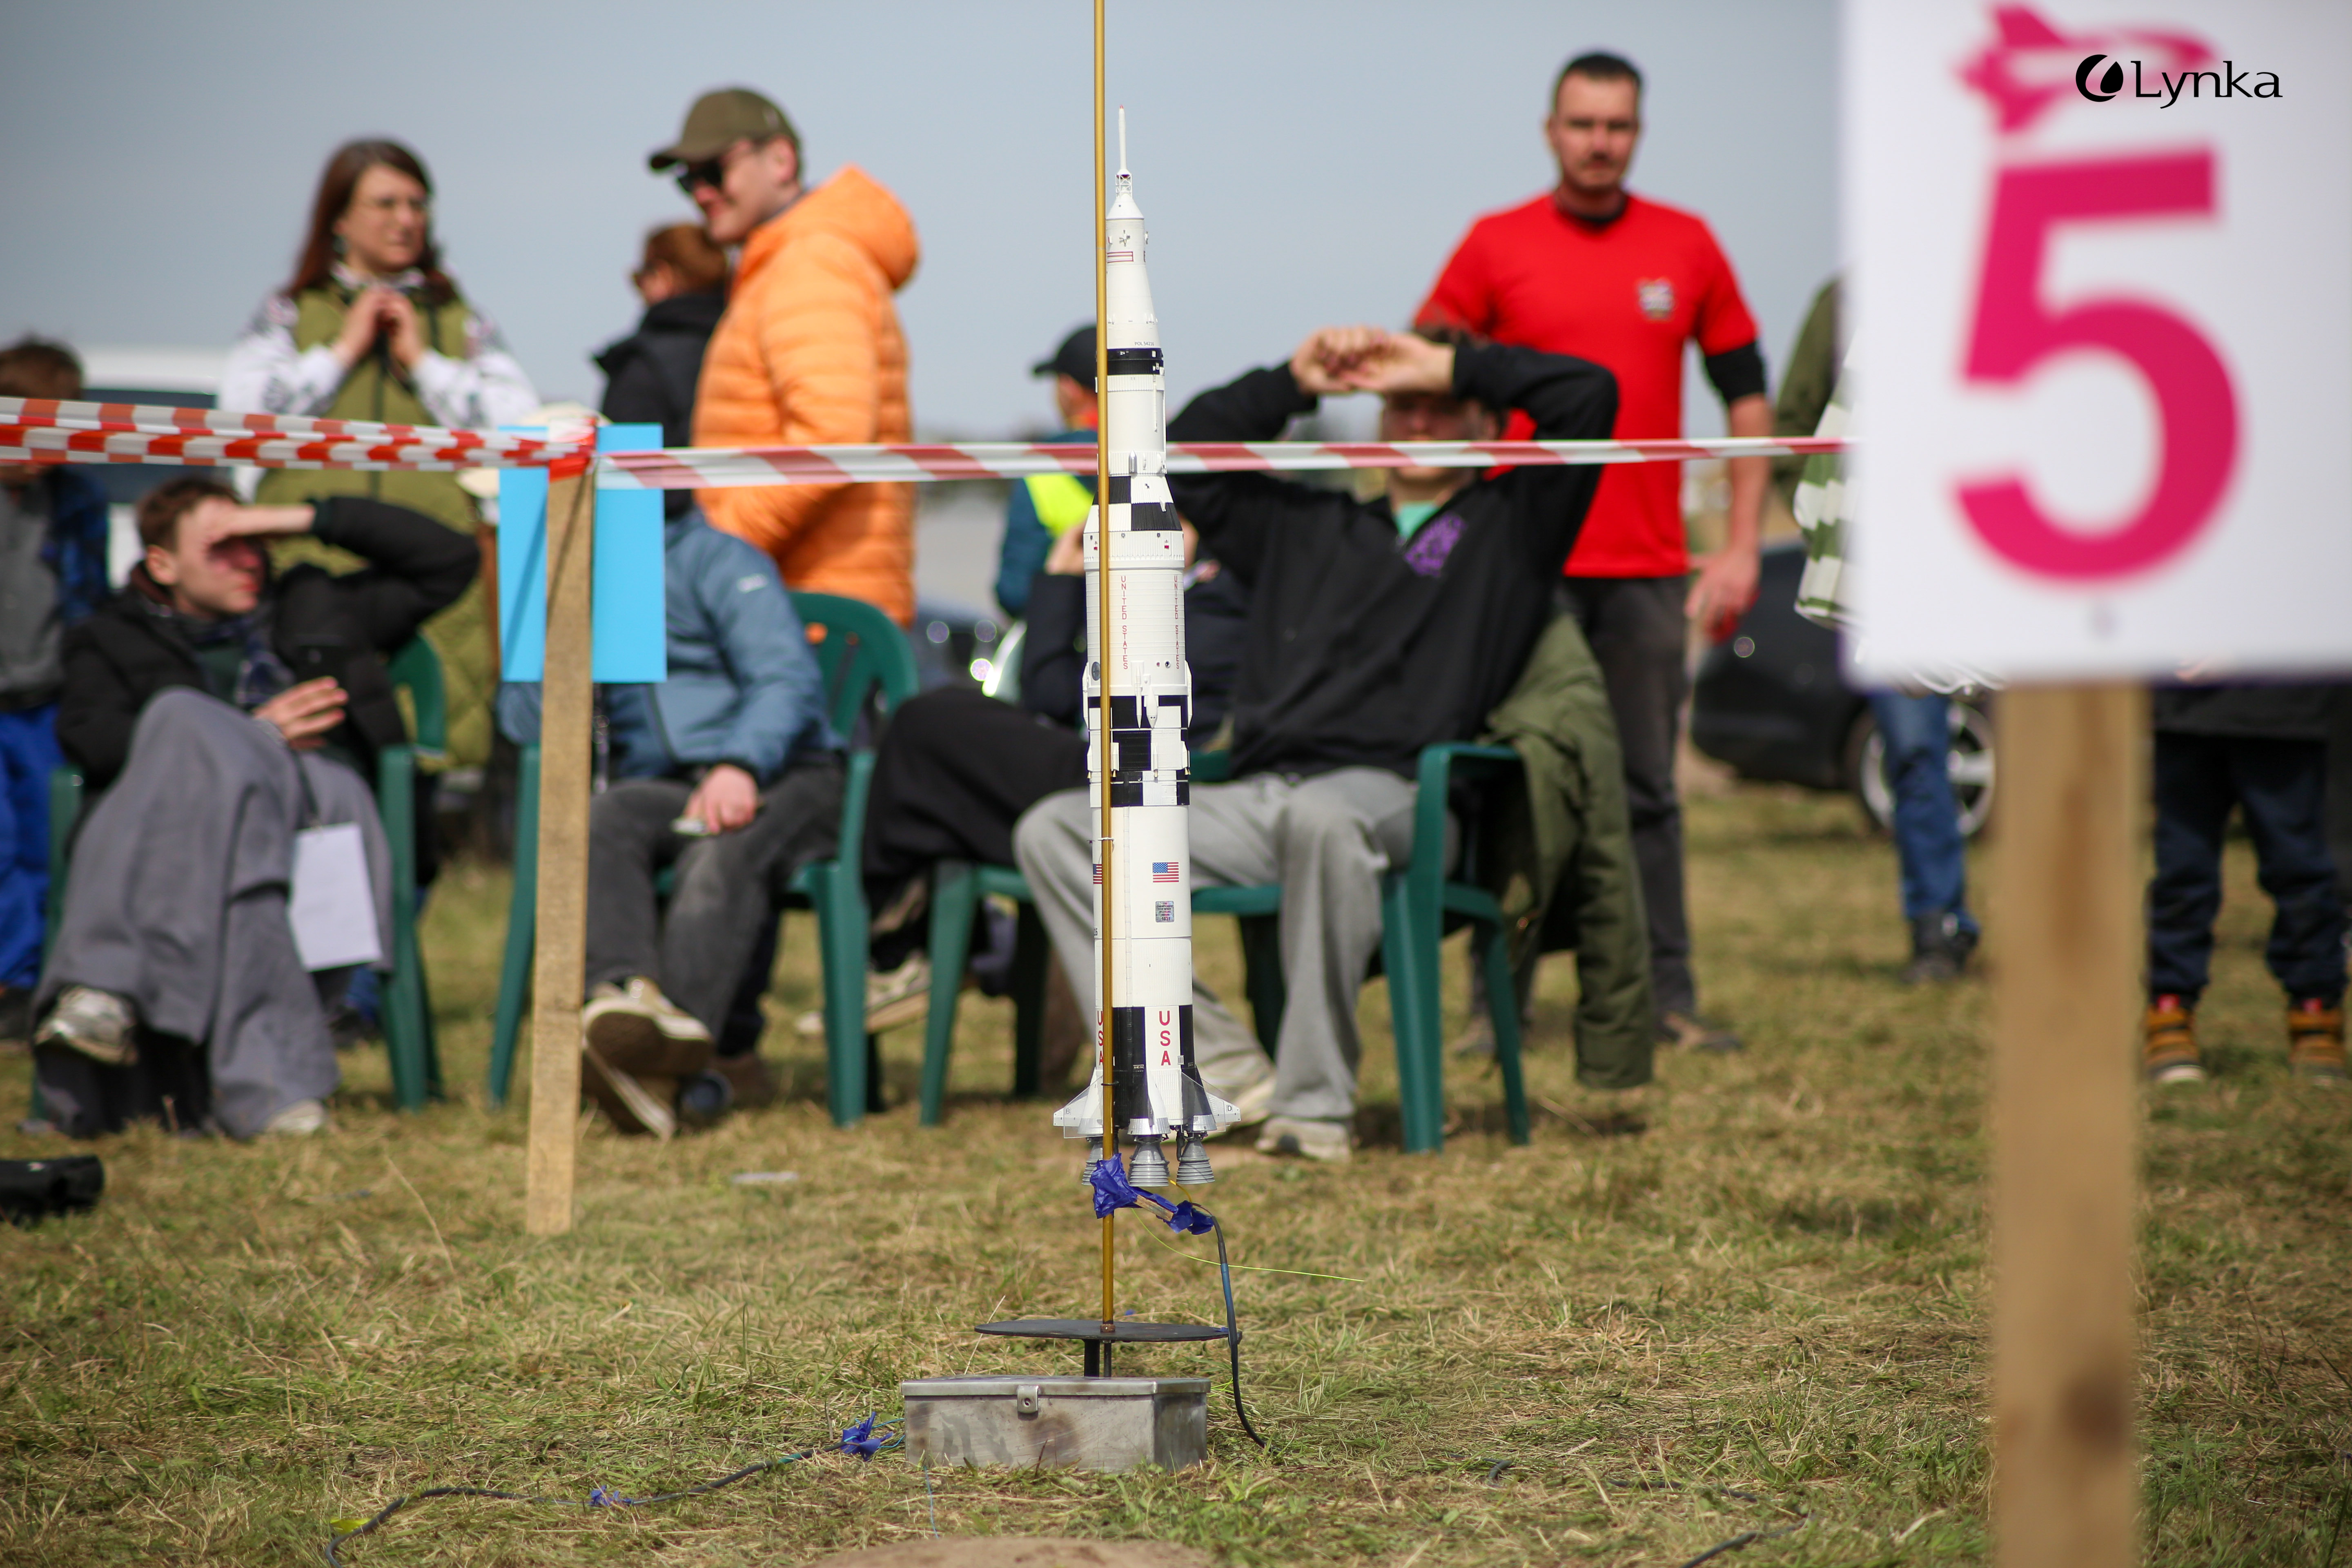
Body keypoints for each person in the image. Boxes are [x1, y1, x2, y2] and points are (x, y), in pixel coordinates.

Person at [1016, 325, 1646, 1162]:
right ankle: (1223, 1063)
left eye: (1440, 408)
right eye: (1402, 408)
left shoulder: (1510, 529)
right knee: (1064, 827)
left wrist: (1444, 362)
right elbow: (1185, 454)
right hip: (1265, 792)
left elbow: (1588, 394)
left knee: (1321, 815)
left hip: (1403, 801)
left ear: (1490, 429)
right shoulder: (1306, 524)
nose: (1418, 424)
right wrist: (1296, 379)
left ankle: (1314, 1114)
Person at [1419, 50, 1768, 1054]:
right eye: (1580, 124)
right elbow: (1423, 375)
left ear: (1637, 132)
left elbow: (1746, 396)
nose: (1597, 144)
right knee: (1512, 781)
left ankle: (1664, 999)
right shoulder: (1492, 246)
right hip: (1519, 570)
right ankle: (1498, 1008)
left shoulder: (1687, 245)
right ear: (1549, 129)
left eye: (1615, 126)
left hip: (1648, 570)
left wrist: (1739, 542)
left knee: (1645, 789)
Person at [32, 481, 477, 1138]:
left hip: (319, 803)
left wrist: (299, 515)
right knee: (186, 734)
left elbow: (450, 561)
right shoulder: (108, 636)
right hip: (181, 830)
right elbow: (93, 743)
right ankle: (272, 1093)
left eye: (255, 543)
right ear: (162, 564)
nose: (248, 560)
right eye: (222, 546)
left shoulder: (314, 604)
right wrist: (251, 733)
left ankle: (104, 989)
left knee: (188, 725)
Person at [498, 507, 842, 1134]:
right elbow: (525, 724)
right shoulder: (582, 569)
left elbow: (787, 679)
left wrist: (740, 762)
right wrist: (547, 605)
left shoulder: (719, 558)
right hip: (668, 784)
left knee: (721, 850)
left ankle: (678, 1070)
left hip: (787, 771)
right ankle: (624, 1007)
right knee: (605, 818)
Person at [220, 138, 539, 775]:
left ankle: (415, 846)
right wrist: (341, 352)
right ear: (338, 219)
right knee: (326, 733)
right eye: (385, 203)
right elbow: (243, 420)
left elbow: (517, 426)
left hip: (429, 570)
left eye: (418, 204)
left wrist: (423, 364)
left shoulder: (459, 320)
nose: (406, 220)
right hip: (309, 562)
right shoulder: (290, 313)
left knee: (430, 743)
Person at [1774, 277, 1980, 984]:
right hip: (1898, 577)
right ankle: (1938, 928)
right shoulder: (1847, 297)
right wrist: (1836, 536)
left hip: (2015, 551)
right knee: (1918, 754)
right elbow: (1795, 421)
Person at [653, 88, 921, 624]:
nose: (701, 193)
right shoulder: (792, 260)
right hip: (803, 607)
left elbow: (834, 436)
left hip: (814, 618)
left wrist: (718, 548)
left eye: (714, 171)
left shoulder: (810, 263)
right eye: (688, 180)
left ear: (781, 160)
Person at [2142, 683, 2347, 1084]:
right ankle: (2169, 1011)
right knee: (2183, 873)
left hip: (2282, 709)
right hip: (2185, 709)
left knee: (2299, 871)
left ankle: (2316, 1012)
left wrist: (2237, 645)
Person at [0, 339, 111, 1043]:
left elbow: (90, 596)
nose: (46, 451)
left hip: (45, 698)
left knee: (48, 838)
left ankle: (36, 977)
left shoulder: (75, 499)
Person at [596, 224, 731, 517]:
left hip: (671, 542)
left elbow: (625, 484)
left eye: (639, 278)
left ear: (662, 277)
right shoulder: (748, 344)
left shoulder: (642, 367)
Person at [995, 326, 1101, 618]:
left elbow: (1014, 593)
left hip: (1067, 642)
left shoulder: (1043, 468)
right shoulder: (1168, 460)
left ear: (1068, 388)